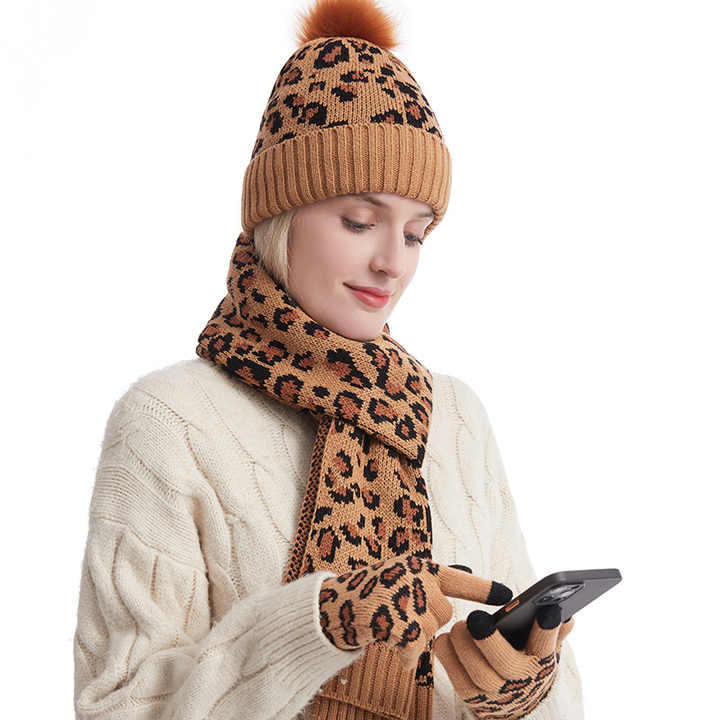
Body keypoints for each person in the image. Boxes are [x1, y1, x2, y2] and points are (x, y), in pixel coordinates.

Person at [72, 1, 585, 718]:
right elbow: (120, 706)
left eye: (416, 233)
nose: (392, 262)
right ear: (280, 213)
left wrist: (518, 692)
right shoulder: (171, 422)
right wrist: (322, 623)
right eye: (359, 220)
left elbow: (563, 700)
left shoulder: (455, 418)